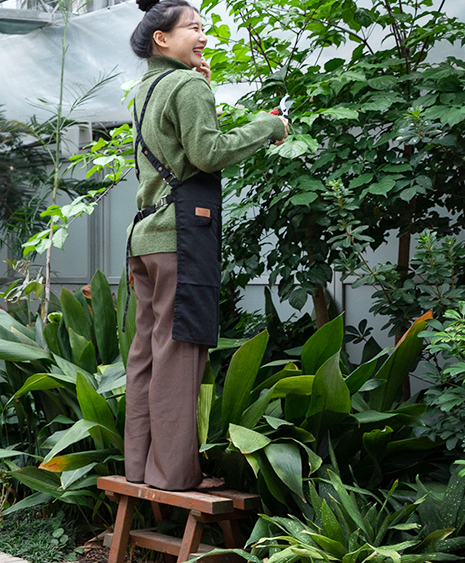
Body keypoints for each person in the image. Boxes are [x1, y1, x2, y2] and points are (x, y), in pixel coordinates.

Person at [124, 0, 287, 491]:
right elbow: (207, 153)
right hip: (180, 237)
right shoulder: (187, 85)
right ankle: (174, 475)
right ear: (162, 38)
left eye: (203, 27)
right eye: (192, 27)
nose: (202, 35)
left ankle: (140, 468)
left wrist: (203, 87)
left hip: (145, 238)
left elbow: (177, 150)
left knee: (146, 355)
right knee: (180, 354)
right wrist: (269, 126)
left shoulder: (145, 89)